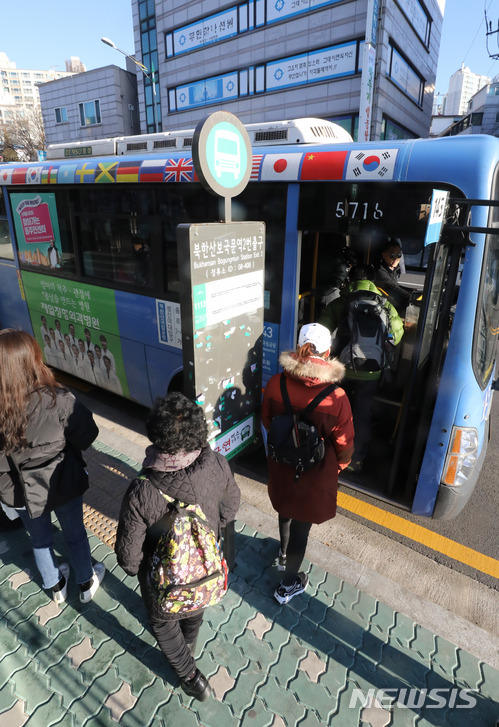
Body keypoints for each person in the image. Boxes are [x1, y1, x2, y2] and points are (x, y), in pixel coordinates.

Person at [115, 393, 240, 701]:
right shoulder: (218, 465)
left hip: (164, 584)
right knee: (193, 606)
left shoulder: (142, 490)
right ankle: (191, 642)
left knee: (162, 623)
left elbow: (129, 560)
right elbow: (230, 508)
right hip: (205, 571)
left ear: (156, 436)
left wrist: (142, 568)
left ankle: (190, 677)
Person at [0, 329, 105, 603]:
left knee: (39, 539)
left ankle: (55, 585)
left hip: (19, 492)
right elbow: (87, 436)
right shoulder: (58, 399)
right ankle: (85, 582)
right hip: (63, 482)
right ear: (33, 360)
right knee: (75, 534)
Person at [261, 322, 354, 605]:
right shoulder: (336, 398)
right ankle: (287, 584)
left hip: (281, 466)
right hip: (313, 474)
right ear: (327, 353)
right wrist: (335, 468)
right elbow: (345, 446)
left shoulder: (276, 383)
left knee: (285, 513)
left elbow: (267, 420)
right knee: (301, 527)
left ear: (299, 348)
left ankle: (282, 558)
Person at [319, 264, 404, 473]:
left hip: (343, 369)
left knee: (337, 411)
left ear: (350, 279)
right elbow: (398, 333)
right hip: (372, 371)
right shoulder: (385, 305)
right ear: (373, 281)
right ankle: (356, 460)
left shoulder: (341, 302)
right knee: (362, 415)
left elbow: (321, 331)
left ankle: (332, 451)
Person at [374, 238, 412, 312]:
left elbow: (396, 286)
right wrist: (410, 297)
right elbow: (392, 287)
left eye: (398, 256)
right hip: (386, 308)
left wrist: (411, 291)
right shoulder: (380, 271)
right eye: (392, 255)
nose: (395, 259)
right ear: (384, 255)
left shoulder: (392, 269)